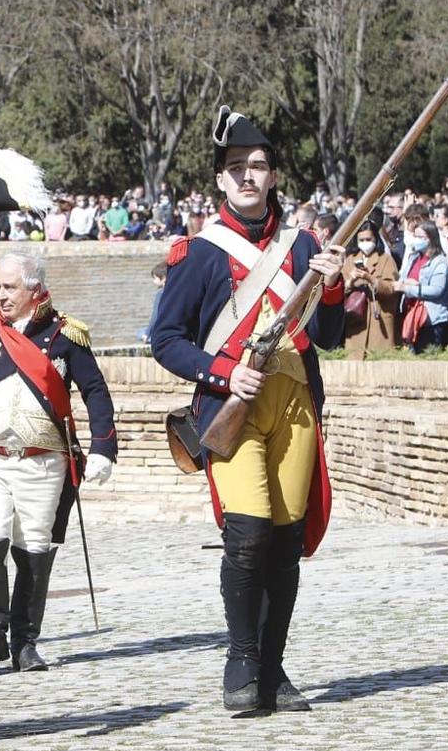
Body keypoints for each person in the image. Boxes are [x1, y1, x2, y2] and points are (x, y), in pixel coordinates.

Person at [148, 105, 345, 717]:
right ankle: (241, 658)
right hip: (230, 403)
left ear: (274, 175)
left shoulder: (304, 245)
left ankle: (274, 667)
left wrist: (332, 285)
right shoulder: (199, 254)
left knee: (285, 540)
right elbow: (166, 340)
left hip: (294, 405)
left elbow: (333, 333)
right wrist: (227, 372)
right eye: (236, 168)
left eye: (258, 166)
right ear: (220, 180)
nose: (248, 177)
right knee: (250, 532)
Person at [0, 252, 116, 672]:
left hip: (43, 461)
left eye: (9, 287)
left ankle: (25, 642)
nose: (0, 295)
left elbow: (96, 392)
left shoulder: (66, 333)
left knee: (34, 547)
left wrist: (103, 447)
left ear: (33, 290)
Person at [340, 223, 399, 357]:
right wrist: (350, 282)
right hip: (356, 322)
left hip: (378, 321)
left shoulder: (386, 260)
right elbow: (339, 290)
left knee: (379, 363)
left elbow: (391, 289)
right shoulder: (350, 260)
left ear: (376, 239)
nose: (365, 243)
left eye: (369, 240)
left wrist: (371, 279)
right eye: (362, 240)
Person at [394, 217, 448, 353]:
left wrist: (410, 288)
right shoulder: (413, 257)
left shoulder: (439, 261)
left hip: (431, 317)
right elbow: (403, 277)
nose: (416, 240)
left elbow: (437, 290)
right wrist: (403, 282)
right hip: (411, 313)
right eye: (415, 236)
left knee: (429, 354)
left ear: (430, 238)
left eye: (420, 236)